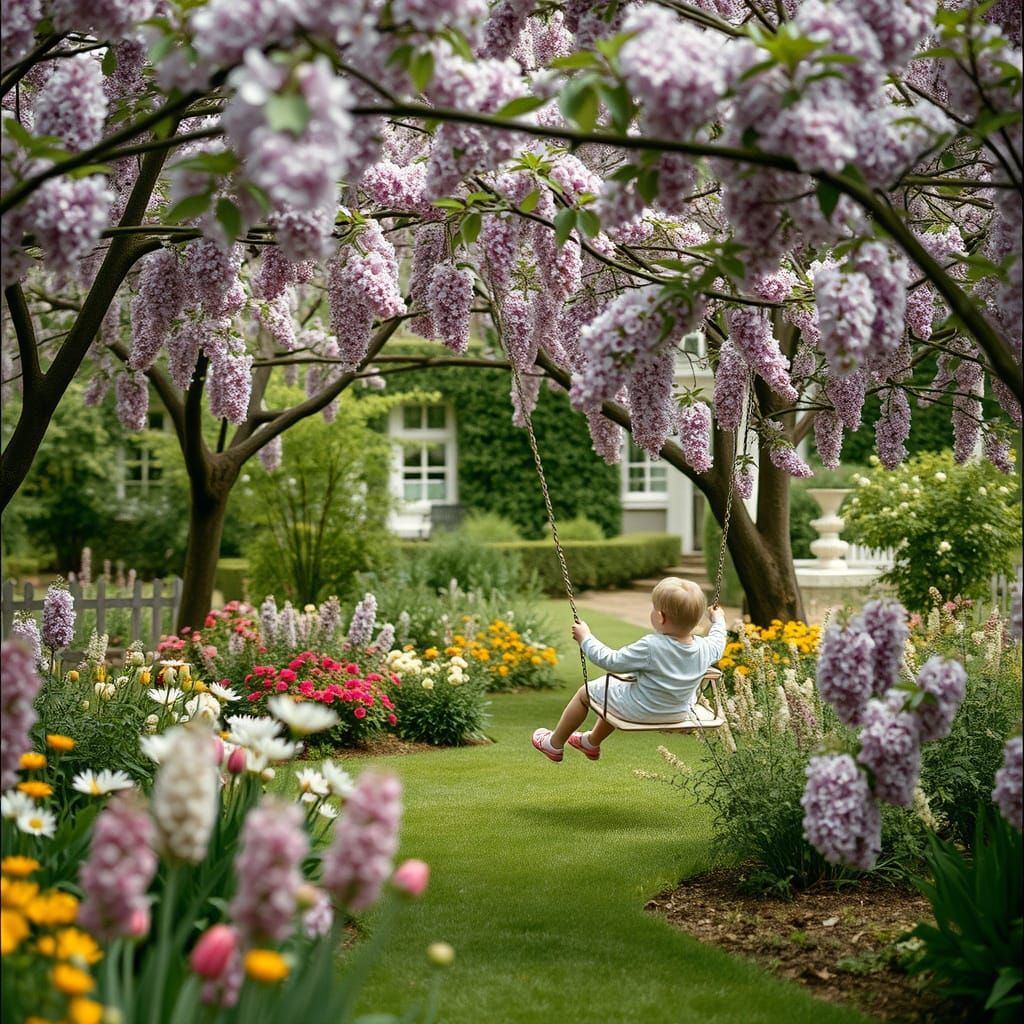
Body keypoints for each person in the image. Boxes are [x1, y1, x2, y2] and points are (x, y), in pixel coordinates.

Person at [532, 577, 727, 762]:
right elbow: (719, 640)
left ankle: (554, 744)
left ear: (660, 617)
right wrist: (718, 619)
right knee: (614, 691)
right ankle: (590, 742)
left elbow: (611, 661)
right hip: (679, 713)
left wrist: (586, 638)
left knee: (585, 694)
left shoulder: (651, 646)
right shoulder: (705, 648)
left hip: (640, 710)